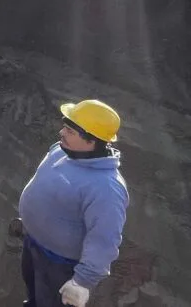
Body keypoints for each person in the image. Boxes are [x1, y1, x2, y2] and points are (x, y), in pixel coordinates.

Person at [12, 99, 129, 307]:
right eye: (65, 127)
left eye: (70, 131)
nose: (61, 133)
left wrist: (82, 282)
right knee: (34, 293)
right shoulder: (62, 150)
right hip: (33, 244)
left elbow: (104, 240)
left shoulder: (107, 188)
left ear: (91, 141)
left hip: (59, 263)